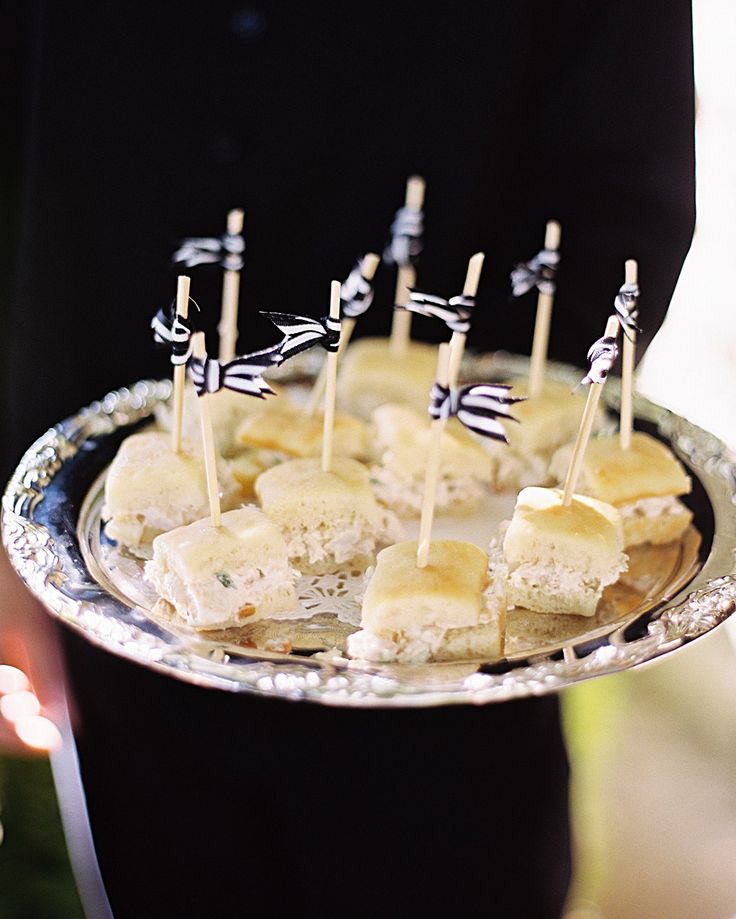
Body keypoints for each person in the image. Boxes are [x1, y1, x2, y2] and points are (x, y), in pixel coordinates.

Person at [3, 2, 694, 916]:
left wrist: (491, 444)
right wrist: (15, 516)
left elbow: (622, 180)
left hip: (455, 659)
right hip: (116, 574)